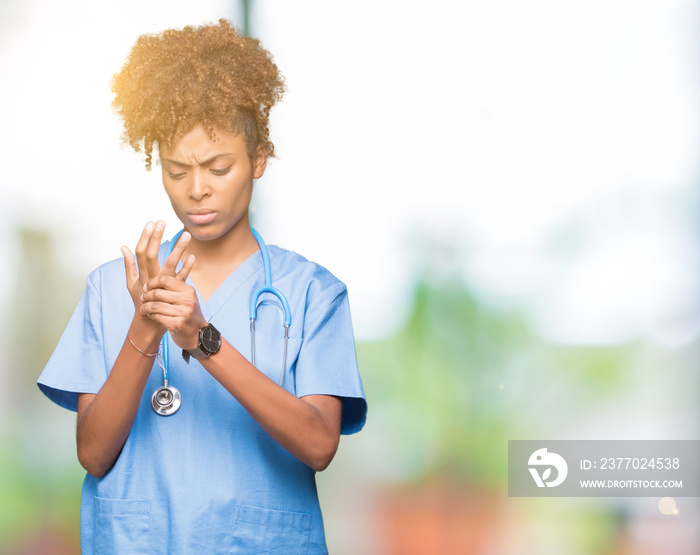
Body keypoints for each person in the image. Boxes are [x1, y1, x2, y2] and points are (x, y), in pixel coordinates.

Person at [37, 19, 366, 554]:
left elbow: (318, 443)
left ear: (258, 161)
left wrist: (202, 338)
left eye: (218, 167)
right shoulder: (108, 289)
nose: (196, 190)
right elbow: (95, 455)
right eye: (175, 170)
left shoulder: (311, 293)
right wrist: (145, 326)